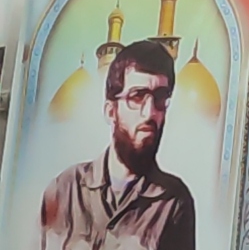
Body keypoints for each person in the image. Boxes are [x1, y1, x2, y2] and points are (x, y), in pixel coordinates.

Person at [39, 40, 195, 250]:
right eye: (137, 96)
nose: (149, 113)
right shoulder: (65, 189)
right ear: (111, 111)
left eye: (160, 98)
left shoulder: (172, 203)